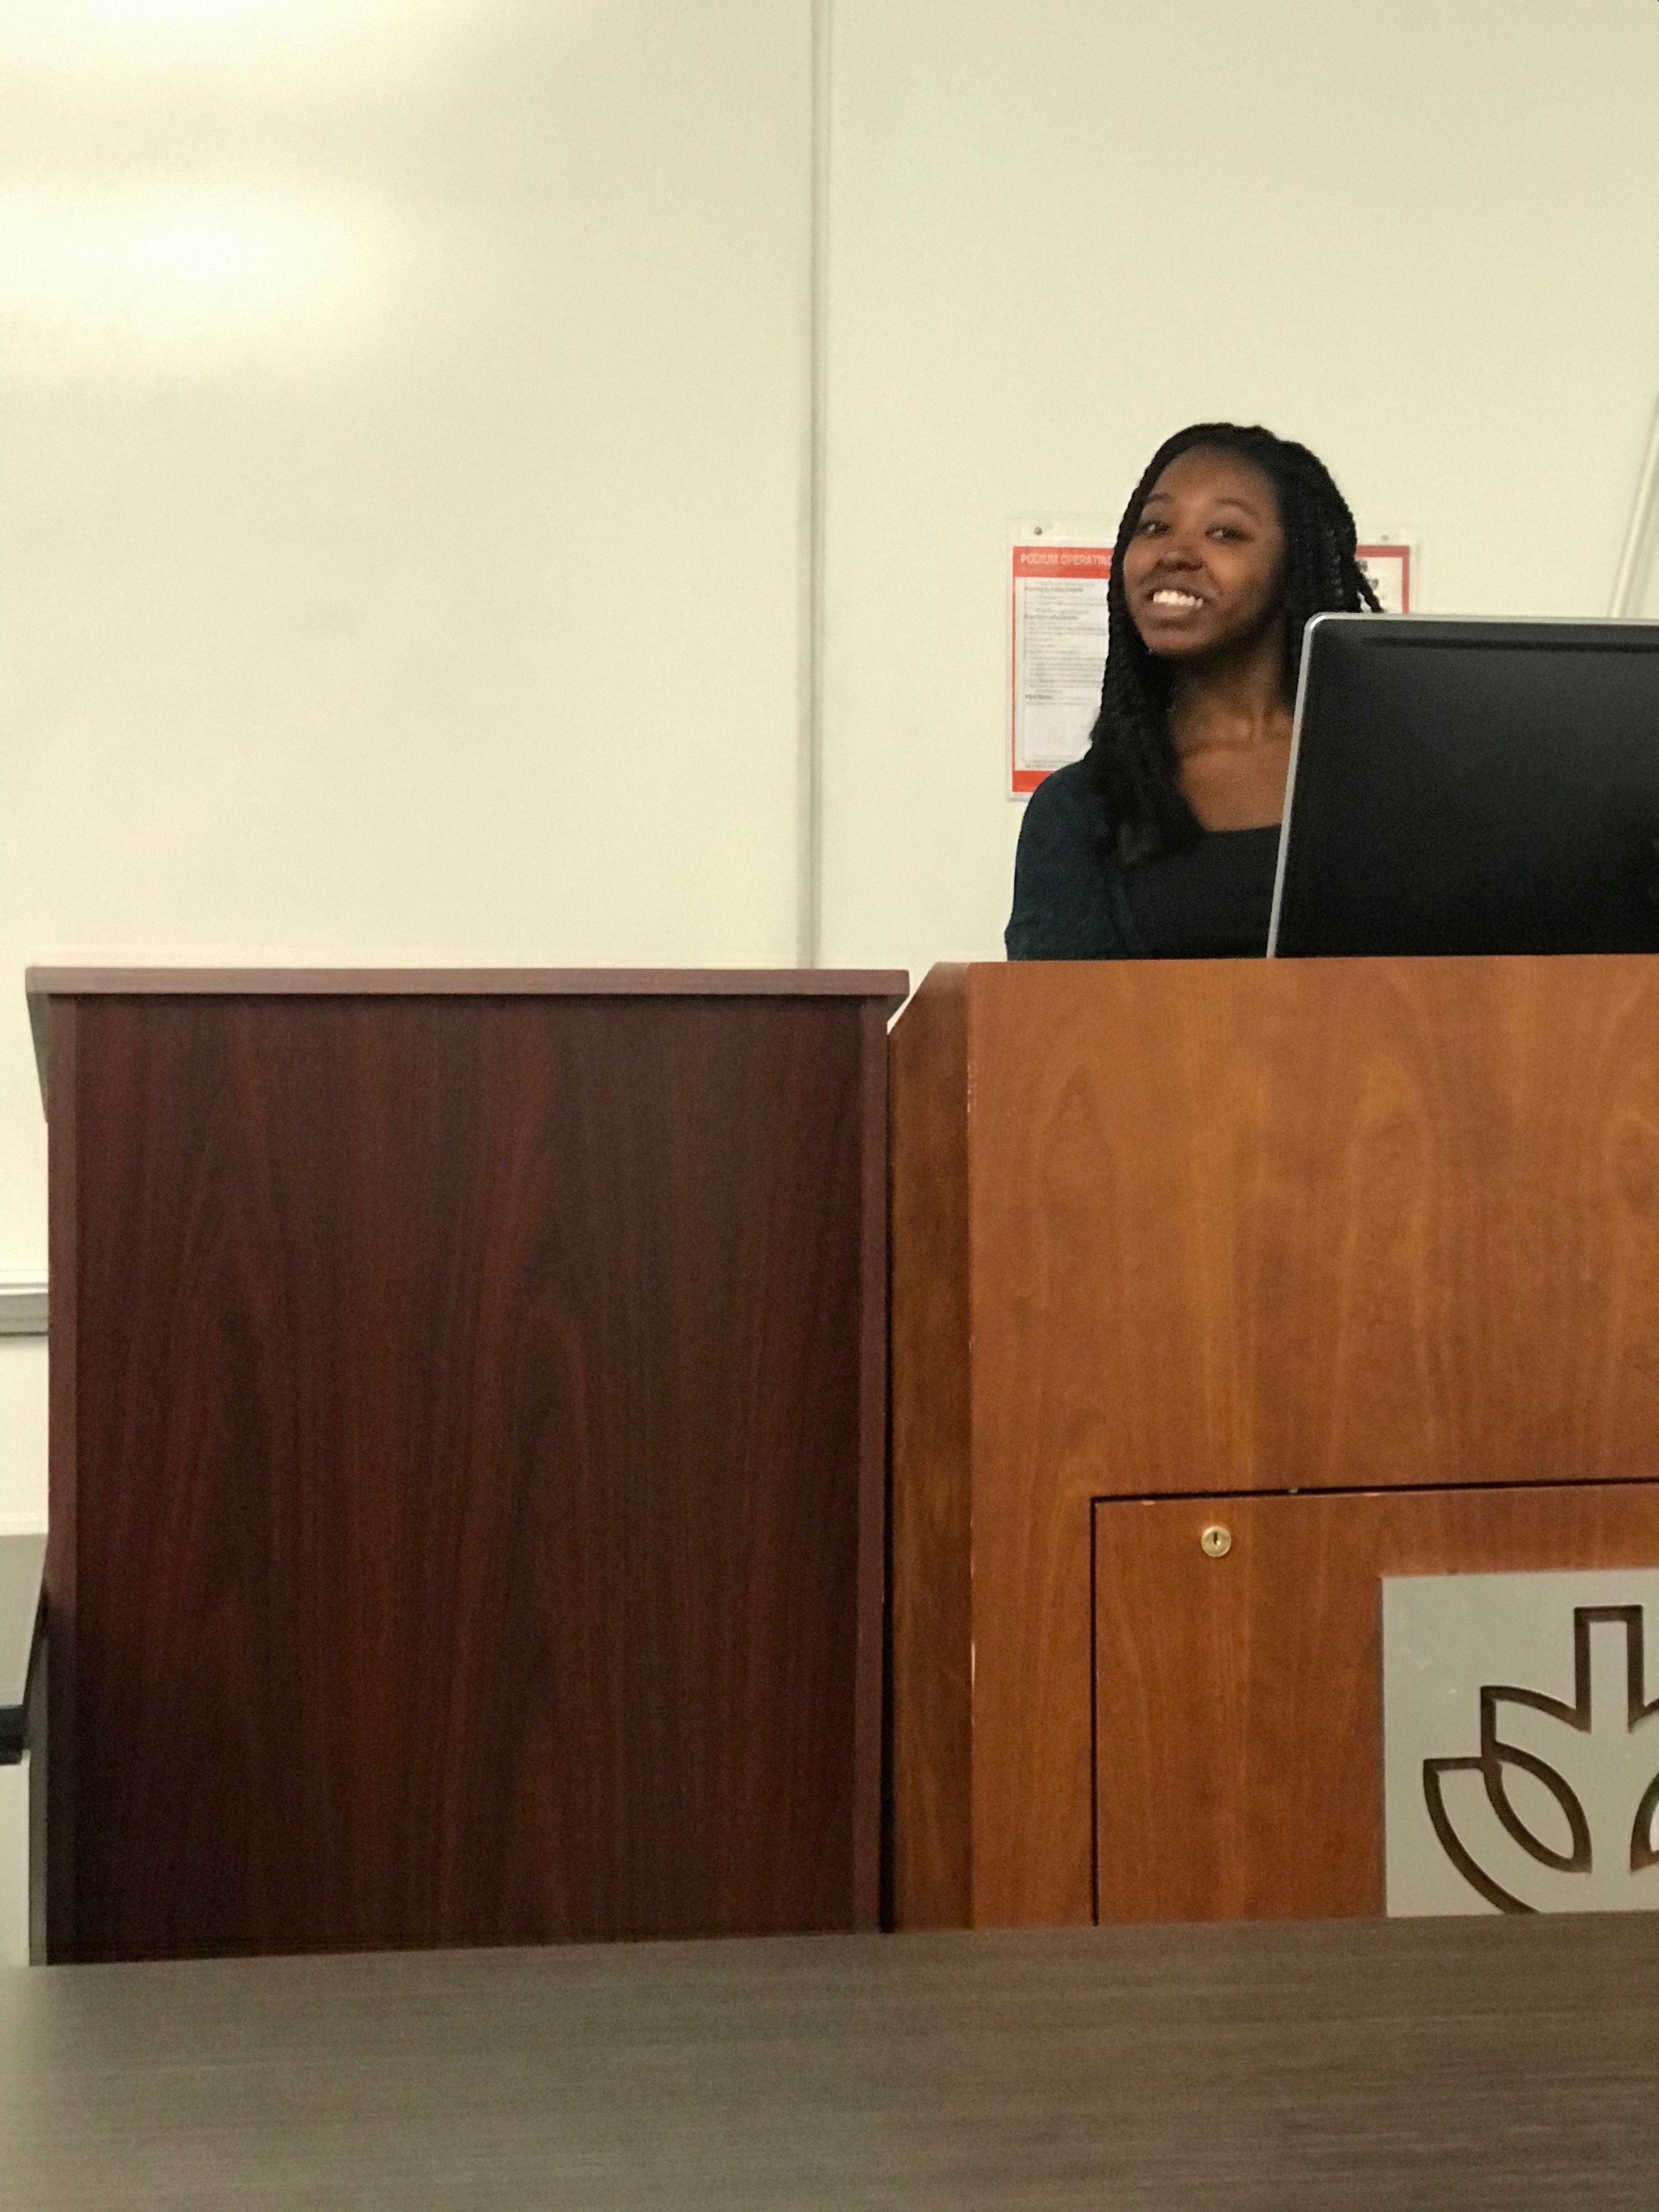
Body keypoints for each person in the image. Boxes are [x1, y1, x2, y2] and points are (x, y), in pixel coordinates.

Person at [1005, 422, 1379, 960]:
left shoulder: (1389, 773)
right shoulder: (1080, 808)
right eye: (1155, 526)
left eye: (1225, 533)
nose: (1175, 553)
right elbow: (1051, 1007)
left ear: (1293, 566)